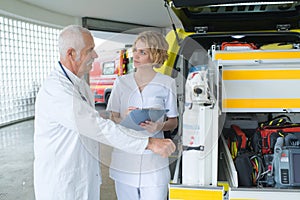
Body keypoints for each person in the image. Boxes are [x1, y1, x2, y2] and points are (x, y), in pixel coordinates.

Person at [33, 25, 176, 200]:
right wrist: (149, 143)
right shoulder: (56, 90)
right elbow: (96, 126)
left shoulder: (81, 86)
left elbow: (93, 120)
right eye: (90, 50)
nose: (96, 55)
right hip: (64, 181)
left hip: (84, 175)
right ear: (71, 54)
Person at [106, 31, 178, 200]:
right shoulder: (121, 82)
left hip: (154, 162)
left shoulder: (167, 83)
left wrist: (159, 126)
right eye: (136, 50)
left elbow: (173, 122)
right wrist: (125, 118)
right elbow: (111, 118)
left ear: (155, 56)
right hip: (125, 159)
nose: (135, 55)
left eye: (142, 52)